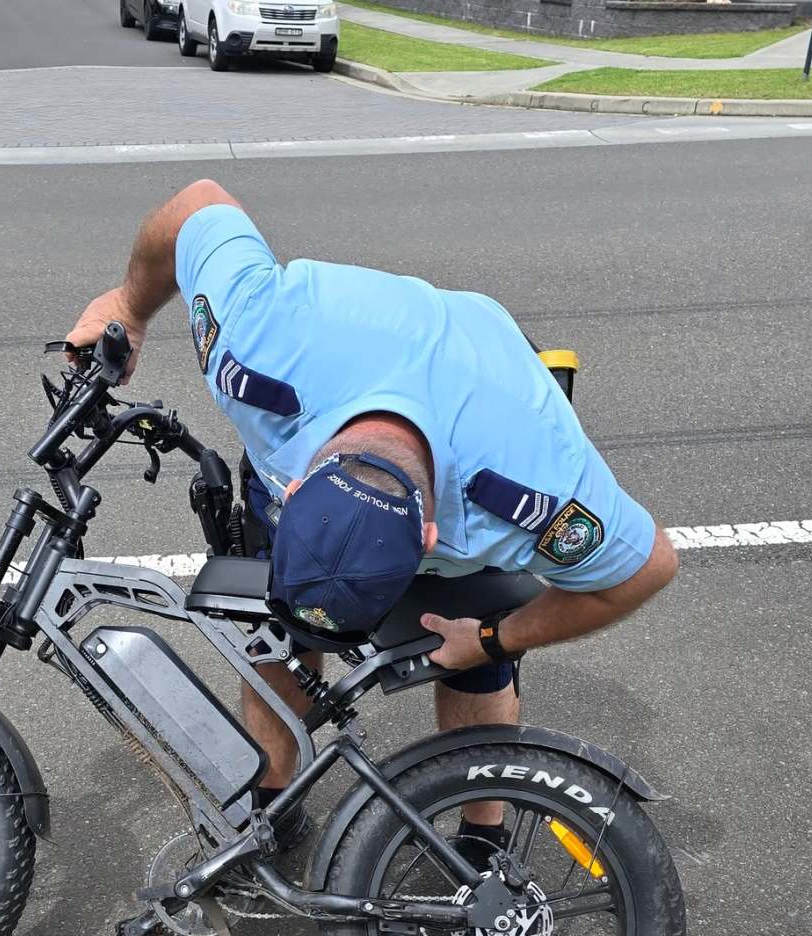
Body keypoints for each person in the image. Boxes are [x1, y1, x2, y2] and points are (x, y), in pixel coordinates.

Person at [68, 180, 677, 861]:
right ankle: (272, 807)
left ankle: (483, 834)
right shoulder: (257, 340)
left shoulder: (531, 484)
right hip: (345, 365)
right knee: (277, 639)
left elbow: (649, 567)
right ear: (293, 488)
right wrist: (128, 307)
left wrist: (490, 638)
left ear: (429, 542)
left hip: (484, 382)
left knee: (472, 660)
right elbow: (198, 205)